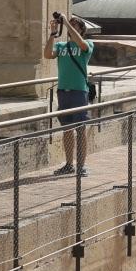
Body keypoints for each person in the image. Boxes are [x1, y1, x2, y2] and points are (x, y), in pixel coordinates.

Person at [44, 13, 94, 177]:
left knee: (80, 129)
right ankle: (68, 164)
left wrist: (66, 22)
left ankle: (81, 166)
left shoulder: (86, 44)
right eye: (69, 23)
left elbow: (81, 43)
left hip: (79, 91)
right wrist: (52, 34)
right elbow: (47, 54)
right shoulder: (62, 46)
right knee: (67, 130)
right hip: (63, 91)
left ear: (81, 29)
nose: (69, 26)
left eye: (74, 24)